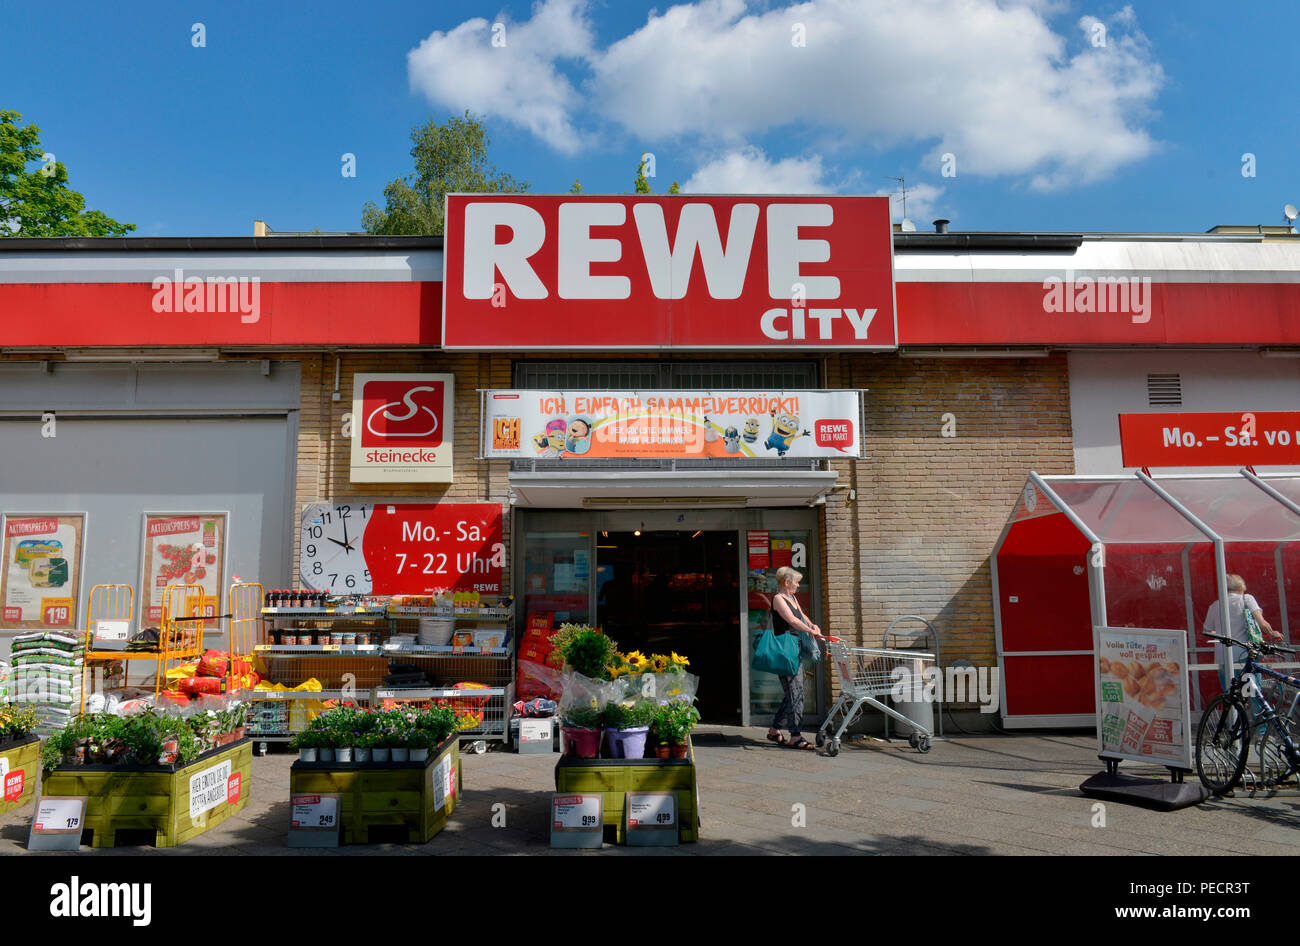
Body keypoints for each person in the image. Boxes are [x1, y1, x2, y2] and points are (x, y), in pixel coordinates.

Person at [766, 566, 825, 750]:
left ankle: (775, 729)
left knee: (794, 691)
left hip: (794, 649)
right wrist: (809, 631)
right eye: (796, 582)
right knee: (796, 691)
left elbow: (801, 615)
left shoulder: (792, 598)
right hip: (786, 652)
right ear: (786, 582)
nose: (798, 585)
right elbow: (791, 620)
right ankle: (796, 735)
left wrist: (813, 625)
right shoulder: (778, 599)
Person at [1203, 574, 1282, 692]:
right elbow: (1261, 623)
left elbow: (1207, 631)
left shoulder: (1215, 605)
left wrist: (1222, 632)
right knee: (1253, 695)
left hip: (1223, 657)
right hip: (1245, 654)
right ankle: (1256, 711)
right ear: (1241, 587)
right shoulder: (1246, 599)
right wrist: (1272, 633)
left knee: (1231, 696)